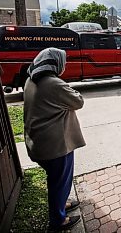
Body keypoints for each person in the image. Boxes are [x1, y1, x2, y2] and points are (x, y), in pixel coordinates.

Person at [24, 48, 85, 231]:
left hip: (38, 142)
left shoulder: (31, 80)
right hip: (56, 146)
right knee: (59, 181)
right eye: (63, 62)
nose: (64, 66)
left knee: (57, 180)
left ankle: (61, 204)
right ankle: (58, 221)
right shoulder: (52, 83)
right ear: (55, 63)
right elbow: (78, 101)